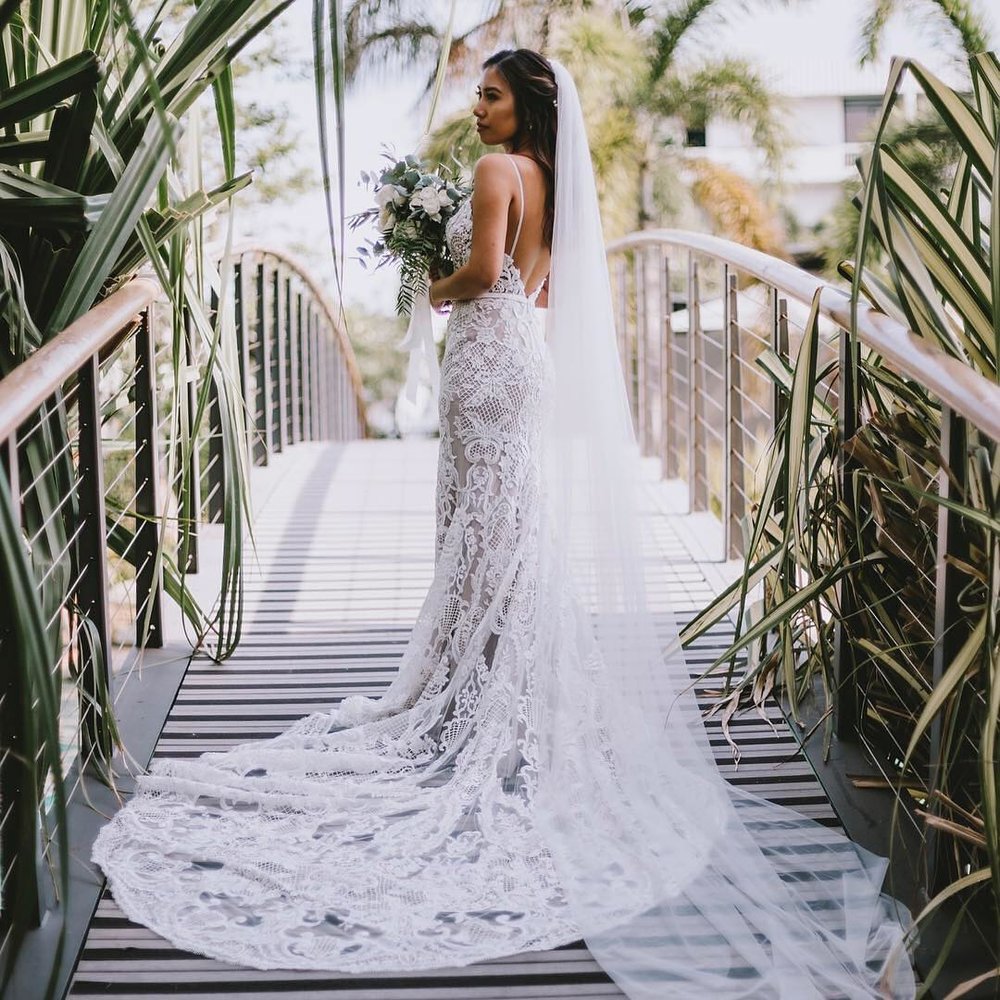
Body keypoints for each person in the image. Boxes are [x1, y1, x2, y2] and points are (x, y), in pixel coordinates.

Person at [93, 50, 916, 998]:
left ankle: (481, 692)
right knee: (508, 525)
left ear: (524, 103)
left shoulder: (493, 172)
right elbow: (541, 289)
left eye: (488, 94)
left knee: (483, 527)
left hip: (487, 361)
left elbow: (482, 273)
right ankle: (506, 684)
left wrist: (425, 285)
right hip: (523, 360)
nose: (475, 108)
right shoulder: (556, 184)